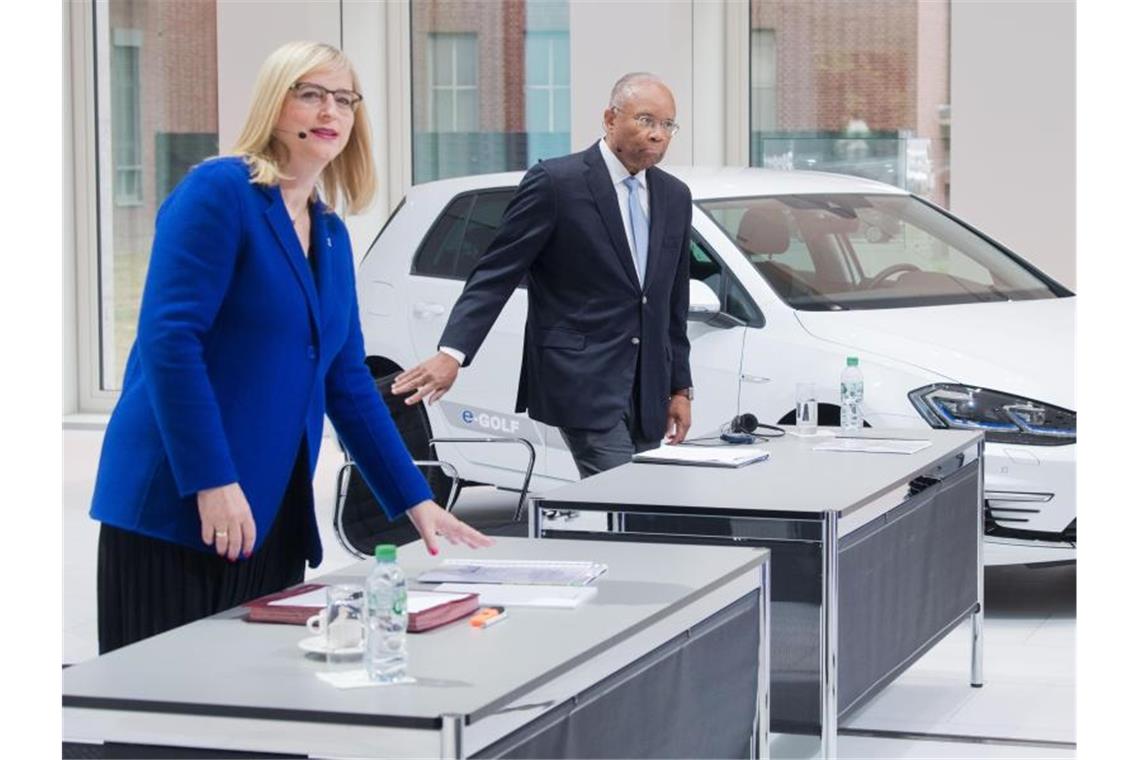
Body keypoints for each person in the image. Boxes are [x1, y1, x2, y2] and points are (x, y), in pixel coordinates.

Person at [89, 41, 491, 655]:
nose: (329, 110)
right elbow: (170, 343)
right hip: (183, 503)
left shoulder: (329, 233)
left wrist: (415, 499)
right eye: (310, 94)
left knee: (260, 711)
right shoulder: (219, 193)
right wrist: (212, 480)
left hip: (270, 510)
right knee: (170, 712)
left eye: (344, 99)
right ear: (275, 105)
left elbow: (348, 382)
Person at [392, 72, 693, 479]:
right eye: (645, 120)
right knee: (626, 494)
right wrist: (453, 354)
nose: (658, 135)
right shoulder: (556, 183)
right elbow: (495, 273)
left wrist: (679, 388)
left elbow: (672, 303)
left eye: (667, 125)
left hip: (648, 387)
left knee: (638, 503)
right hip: (582, 379)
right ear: (609, 119)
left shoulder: (675, 196)